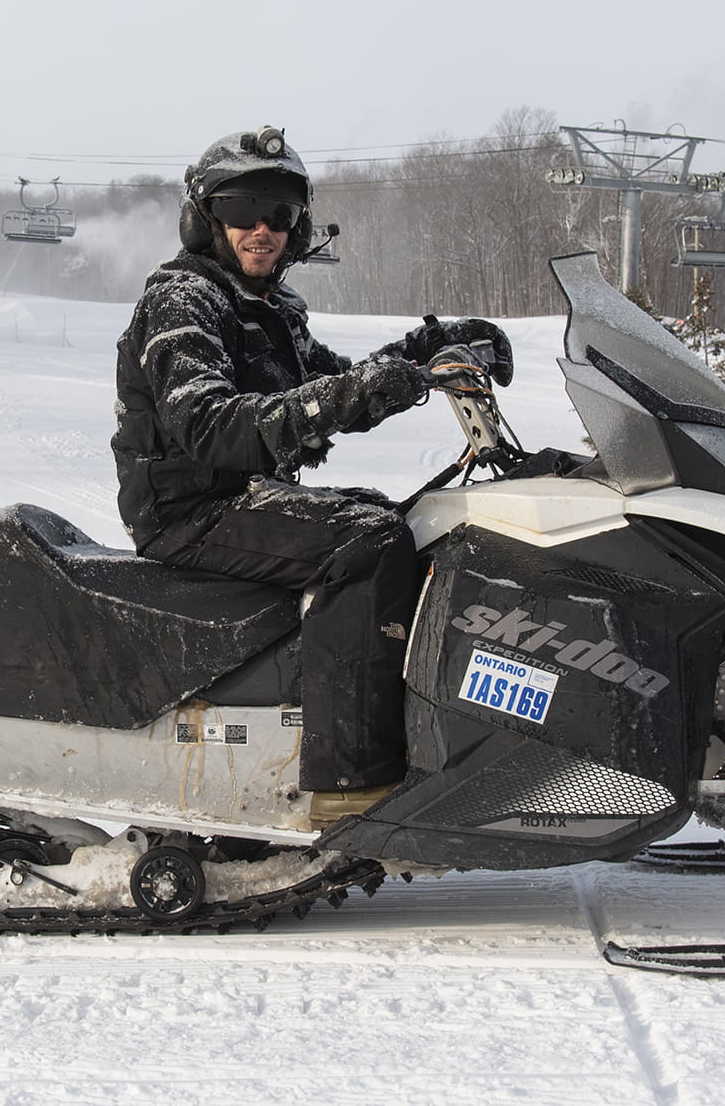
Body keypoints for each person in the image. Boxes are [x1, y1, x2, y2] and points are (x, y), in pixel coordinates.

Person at [112, 126, 512, 824]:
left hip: (246, 497)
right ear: (205, 219)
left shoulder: (266, 307)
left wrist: (425, 348)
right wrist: (369, 388)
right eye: (242, 211)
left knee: (414, 527)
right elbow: (207, 426)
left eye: (281, 214)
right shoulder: (184, 301)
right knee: (369, 542)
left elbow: (332, 387)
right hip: (187, 510)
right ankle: (349, 782)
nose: (262, 230)